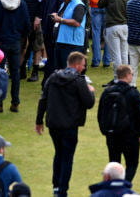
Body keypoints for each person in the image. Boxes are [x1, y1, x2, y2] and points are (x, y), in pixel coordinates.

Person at [36, 51, 96, 197]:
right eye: (83, 65)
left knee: (59, 154)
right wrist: (91, 91)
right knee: (67, 157)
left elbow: (43, 99)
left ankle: (56, 186)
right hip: (70, 125)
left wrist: (39, 121)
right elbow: (89, 103)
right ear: (77, 65)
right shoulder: (79, 81)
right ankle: (62, 190)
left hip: (54, 123)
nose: (84, 68)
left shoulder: (53, 77)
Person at [97, 64, 140, 183]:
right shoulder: (133, 93)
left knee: (114, 164)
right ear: (128, 75)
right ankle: (124, 186)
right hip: (130, 134)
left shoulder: (107, 92)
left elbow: (100, 113)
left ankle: (115, 186)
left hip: (112, 133)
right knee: (132, 164)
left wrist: (104, 130)